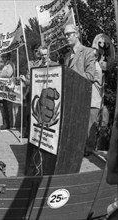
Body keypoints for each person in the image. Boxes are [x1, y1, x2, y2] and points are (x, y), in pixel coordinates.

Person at [63, 24, 97, 156]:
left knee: (80, 129)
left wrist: (71, 78)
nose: (66, 37)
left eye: (69, 34)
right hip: (69, 98)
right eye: (65, 34)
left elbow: (90, 76)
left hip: (82, 97)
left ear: (76, 34)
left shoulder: (87, 51)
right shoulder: (67, 56)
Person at [0, 53, 15, 130]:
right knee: (5, 107)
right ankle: (6, 124)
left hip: (9, 88)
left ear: (8, 57)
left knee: (8, 107)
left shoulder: (10, 64)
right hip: (4, 89)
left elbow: (8, 74)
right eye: (2, 57)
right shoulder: (5, 65)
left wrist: (0, 75)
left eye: (4, 57)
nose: (3, 58)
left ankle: (9, 124)